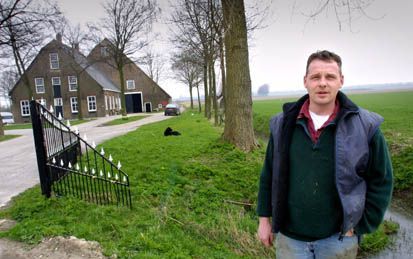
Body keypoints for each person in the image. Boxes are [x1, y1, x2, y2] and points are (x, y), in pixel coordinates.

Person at [257, 50, 393, 258]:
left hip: (338, 239)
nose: (322, 83)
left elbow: (381, 180)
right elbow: (268, 175)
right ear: (305, 81)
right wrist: (264, 220)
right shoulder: (282, 124)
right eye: (315, 77)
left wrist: (360, 225)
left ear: (341, 80)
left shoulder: (366, 126)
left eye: (330, 77)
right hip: (290, 240)